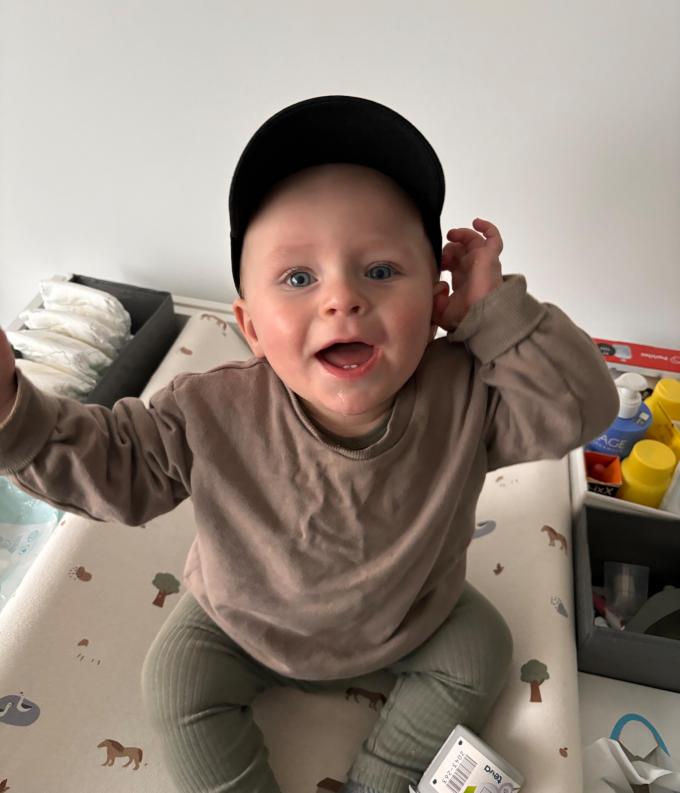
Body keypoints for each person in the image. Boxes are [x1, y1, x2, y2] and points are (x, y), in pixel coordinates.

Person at [0, 95, 619, 793]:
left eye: (381, 271)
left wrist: (496, 314)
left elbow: (581, 408)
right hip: (243, 624)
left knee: (481, 650)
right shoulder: (207, 410)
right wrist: (11, 411)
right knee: (173, 681)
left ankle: (378, 779)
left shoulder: (469, 393)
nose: (342, 299)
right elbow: (110, 465)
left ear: (436, 301)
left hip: (411, 616)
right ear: (251, 328)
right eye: (299, 278)